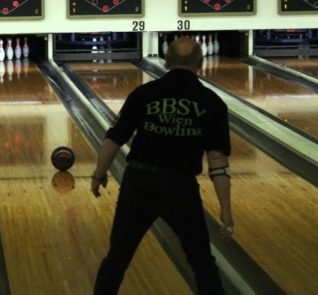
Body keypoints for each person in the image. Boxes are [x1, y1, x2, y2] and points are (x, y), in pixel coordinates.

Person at [91, 37, 233, 295]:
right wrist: (225, 208)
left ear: (166, 61)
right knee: (202, 262)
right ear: (201, 63)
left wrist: (99, 174)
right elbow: (217, 161)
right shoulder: (212, 102)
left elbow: (113, 139)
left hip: (139, 184)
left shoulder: (144, 94)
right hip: (181, 188)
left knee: (117, 258)